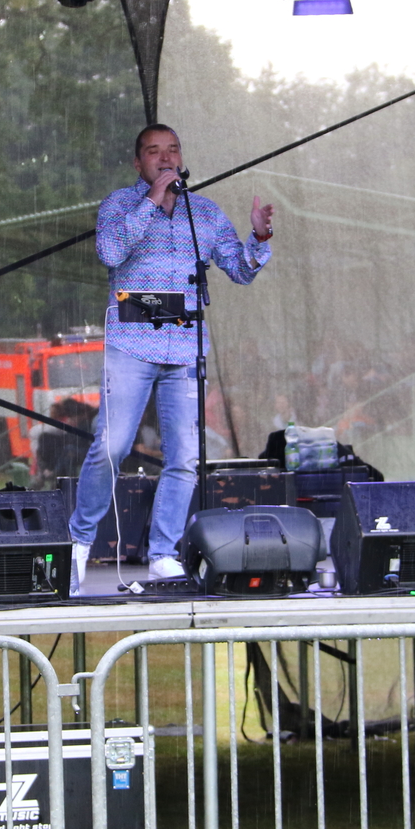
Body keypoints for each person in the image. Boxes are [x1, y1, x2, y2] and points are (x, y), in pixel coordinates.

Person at [66, 124, 274, 592]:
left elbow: (239, 270)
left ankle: (163, 554)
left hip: (184, 348)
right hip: (131, 344)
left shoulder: (204, 212)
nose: (165, 158)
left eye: (172, 150)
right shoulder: (119, 205)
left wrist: (260, 237)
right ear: (138, 162)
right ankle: (78, 543)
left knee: (185, 457)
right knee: (113, 445)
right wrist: (152, 202)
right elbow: (110, 252)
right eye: (154, 152)